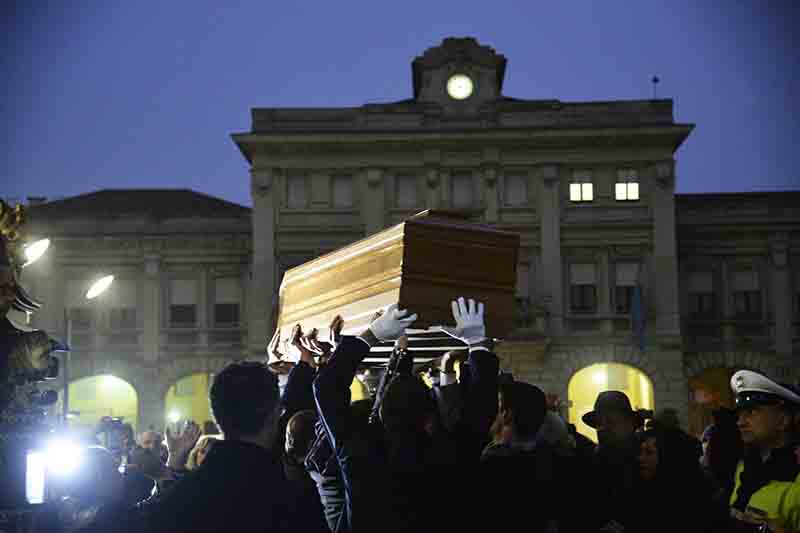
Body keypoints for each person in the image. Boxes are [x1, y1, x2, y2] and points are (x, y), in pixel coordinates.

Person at [144, 361, 295, 533]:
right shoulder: (290, 496)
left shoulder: (190, 492)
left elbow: (150, 519)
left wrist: (174, 462)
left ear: (216, 415)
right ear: (275, 413)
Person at [728, 369, 800, 531]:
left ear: (783, 420)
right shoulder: (745, 467)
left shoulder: (795, 476)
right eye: (740, 414)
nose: (740, 422)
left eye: (751, 412)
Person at [582, 390, 643, 532]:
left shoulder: (646, 457)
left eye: (610, 422)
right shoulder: (594, 459)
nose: (602, 429)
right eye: (599, 423)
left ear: (630, 423)